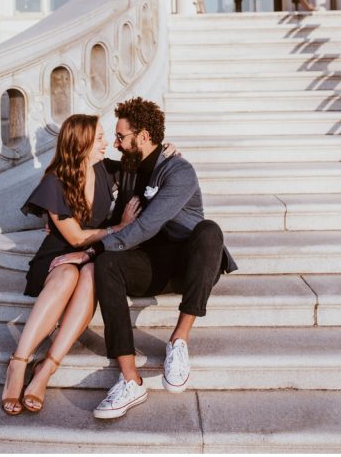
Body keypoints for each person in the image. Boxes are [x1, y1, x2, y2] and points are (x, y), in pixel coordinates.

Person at [75, 97, 237, 420]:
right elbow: (88, 162)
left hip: (190, 263)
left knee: (210, 231)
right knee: (107, 266)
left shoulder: (180, 171)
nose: (117, 144)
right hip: (150, 263)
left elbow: (148, 225)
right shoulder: (131, 169)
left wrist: (95, 246)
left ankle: (178, 341)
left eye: (121, 137)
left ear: (144, 136)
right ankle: (129, 379)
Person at [0, 114, 142, 415]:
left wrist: (169, 150)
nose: (107, 143)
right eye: (100, 138)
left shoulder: (105, 170)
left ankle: (47, 368)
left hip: (94, 253)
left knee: (91, 275)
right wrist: (118, 229)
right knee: (66, 275)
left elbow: (144, 162)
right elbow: (75, 238)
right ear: (82, 143)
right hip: (58, 255)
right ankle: (19, 362)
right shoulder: (55, 182)